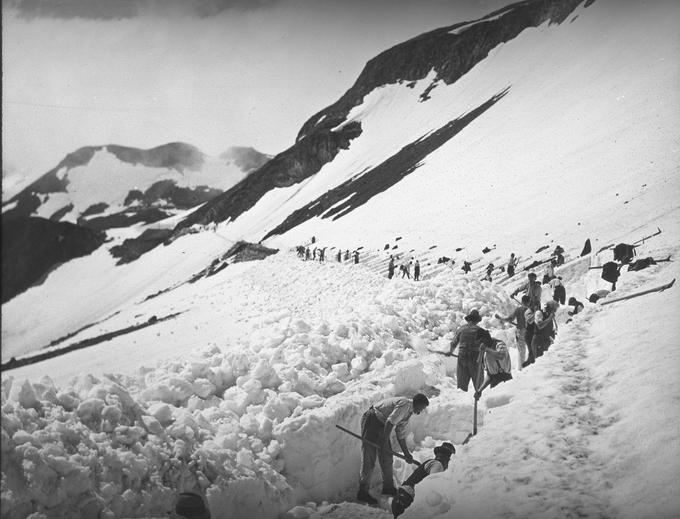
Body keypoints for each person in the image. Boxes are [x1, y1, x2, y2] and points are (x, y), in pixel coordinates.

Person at [357, 394, 430, 505]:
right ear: (418, 403)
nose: (422, 410)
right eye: (422, 407)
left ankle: (388, 487)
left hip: (383, 425)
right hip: (372, 419)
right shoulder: (405, 404)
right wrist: (383, 442)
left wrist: (407, 455)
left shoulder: (408, 414)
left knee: (386, 457)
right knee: (369, 458)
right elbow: (390, 422)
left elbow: (400, 434)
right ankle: (362, 492)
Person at [391, 442, 455, 518]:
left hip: (401, 496)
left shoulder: (430, 463)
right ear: (447, 458)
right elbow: (433, 487)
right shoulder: (437, 465)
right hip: (406, 498)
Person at [447, 309, 492, 392]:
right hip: (475, 358)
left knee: (462, 385)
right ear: (477, 321)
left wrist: (450, 352)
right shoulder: (481, 331)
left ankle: (461, 401)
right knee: (479, 385)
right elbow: (489, 344)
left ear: (469, 320)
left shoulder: (460, 329)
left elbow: (453, 343)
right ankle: (478, 399)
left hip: (462, 357)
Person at [496, 295, 529, 369]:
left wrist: (500, 318)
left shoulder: (518, 310)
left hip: (520, 331)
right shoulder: (529, 310)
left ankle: (521, 368)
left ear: (522, 301)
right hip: (529, 331)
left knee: (521, 351)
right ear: (528, 302)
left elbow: (509, 318)